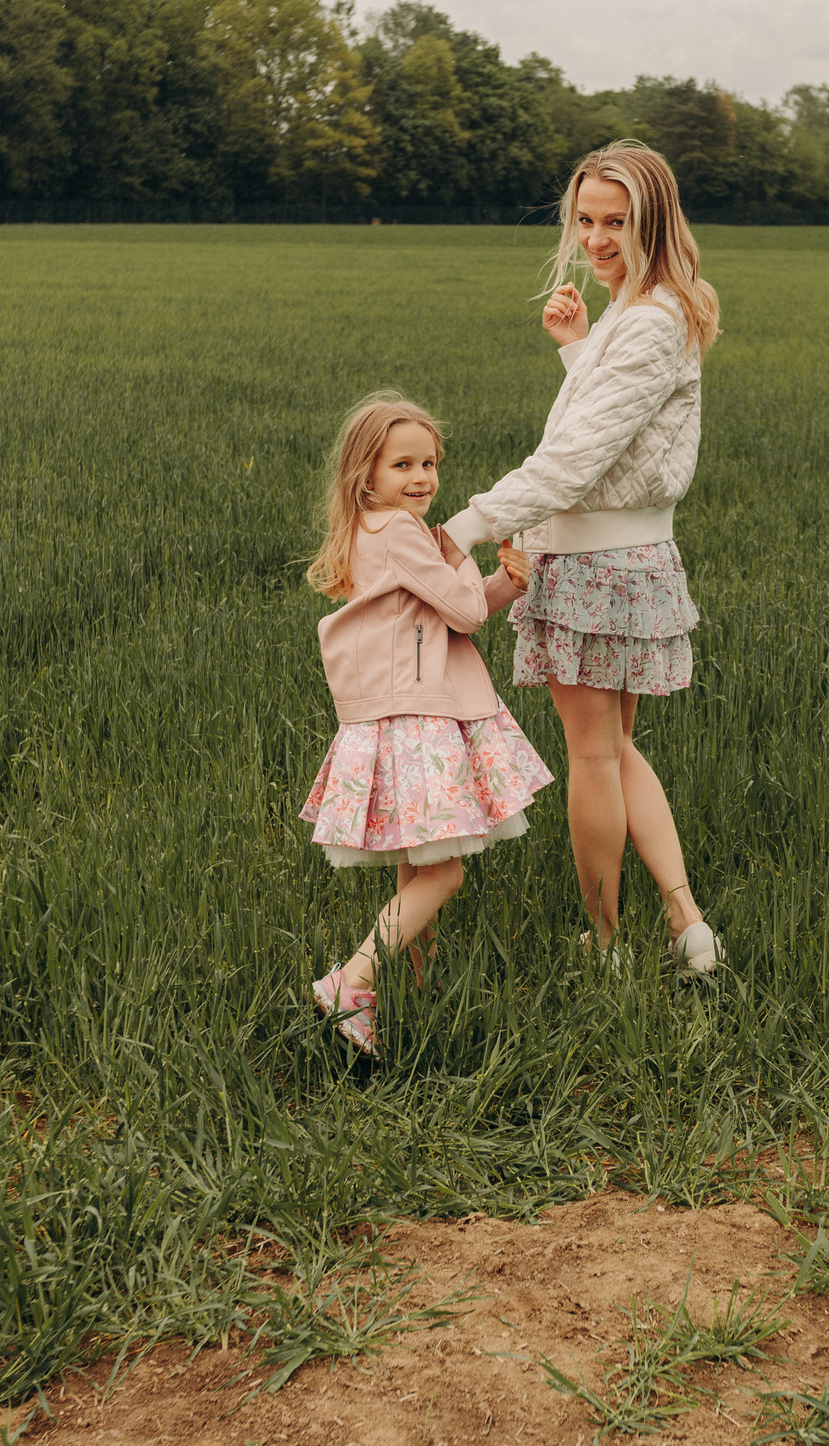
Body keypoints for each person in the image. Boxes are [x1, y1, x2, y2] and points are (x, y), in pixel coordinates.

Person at [439, 142, 721, 976]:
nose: (596, 239)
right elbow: (614, 431)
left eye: (616, 222)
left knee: (593, 757)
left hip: (597, 568)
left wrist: (457, 529)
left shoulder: (651, 319)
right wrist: (575, 346)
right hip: (628, 560)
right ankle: (687, 920)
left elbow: (573, 463)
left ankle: (603, 945)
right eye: (586, 220)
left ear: (655, 222)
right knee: (618, 749)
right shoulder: (643, 312)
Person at [302, 391, 549, 1053]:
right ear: (367, 474)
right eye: (402, 464)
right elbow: (462, 611)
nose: (421, 478)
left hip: (397, 709)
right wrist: (461, 547)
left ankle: (417, 990)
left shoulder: (374, 530)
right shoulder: (405, 532)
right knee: (445, 873)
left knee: (420, 866)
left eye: (430, 463)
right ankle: (351, 981)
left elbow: (442, 611)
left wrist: (504, 584)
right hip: (418, 717)